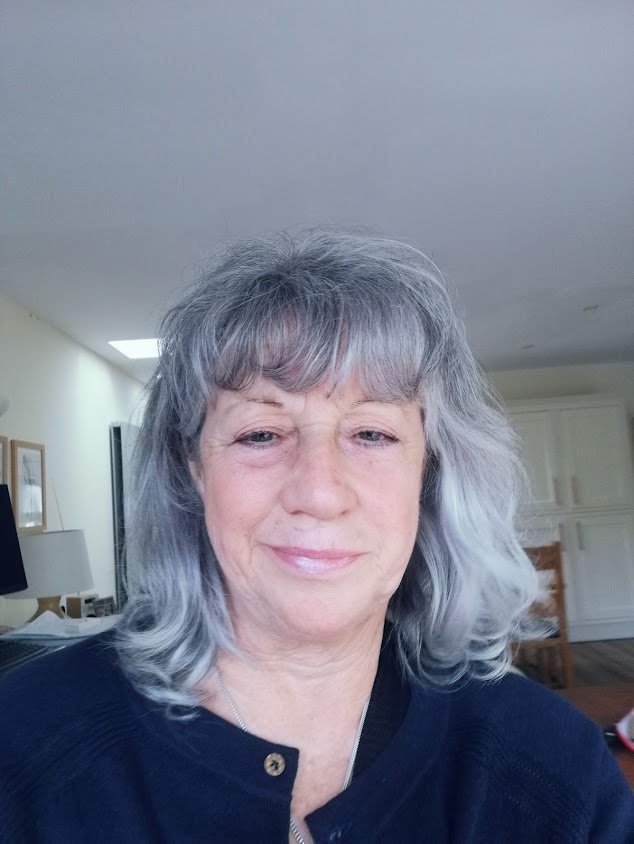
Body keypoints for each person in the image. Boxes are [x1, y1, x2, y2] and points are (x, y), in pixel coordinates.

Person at [1, 229, 632, 843]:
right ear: (193, 468)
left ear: (429, 472)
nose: (320, 492)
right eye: (260, 434)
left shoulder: (555, 770)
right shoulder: (20, 747)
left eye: (372, 434)